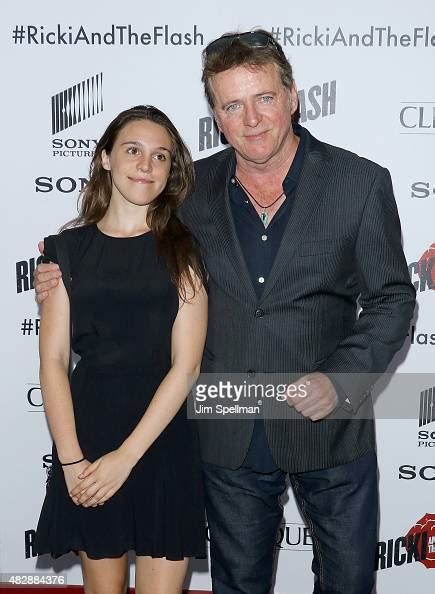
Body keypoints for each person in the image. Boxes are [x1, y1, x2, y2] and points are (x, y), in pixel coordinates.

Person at [35, 30, 416, 594]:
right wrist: (61, 272)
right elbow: (128, 245)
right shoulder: (190, 190)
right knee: (238, 585)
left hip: (330, 431)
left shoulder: (360, 183)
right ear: (215, 114)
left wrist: (339, 380)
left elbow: (393, 298)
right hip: (226, 431)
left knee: (349, 582)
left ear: (292, 97)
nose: (252, 119)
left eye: (263, 98)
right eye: (232, 105)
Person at [34, 105, 208, 594]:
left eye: (160, 156)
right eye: (133, 150)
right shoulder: (65, 251)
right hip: (88, 439)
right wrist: (72, 462)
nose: (145, 165)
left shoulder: (184, 250)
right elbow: (52, 361)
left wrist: (126, 458)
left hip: (161, 441)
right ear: (105, 157)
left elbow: (187, 366)